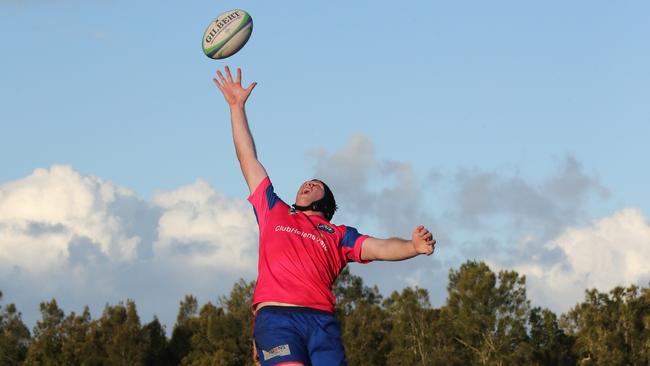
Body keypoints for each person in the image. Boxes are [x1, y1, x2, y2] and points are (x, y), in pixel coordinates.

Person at [213, 66, 436, 366]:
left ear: (326, 203)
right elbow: (247, 158)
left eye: (316, 185)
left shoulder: (339, 235)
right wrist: (236, 107)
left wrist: (412, 247)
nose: (308, 183)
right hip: (277, 319)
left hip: (322, 322)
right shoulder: (273, 208)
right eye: (306, 182)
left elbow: (381, 248)